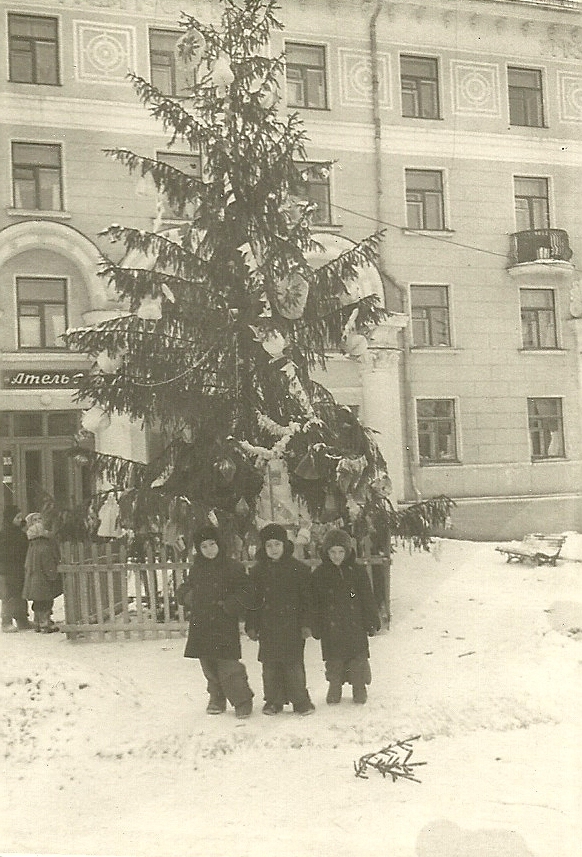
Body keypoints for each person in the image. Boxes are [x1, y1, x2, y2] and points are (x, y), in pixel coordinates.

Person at [177, 524, 254, 719]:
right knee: (208, 665)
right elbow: (184, 589)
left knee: (228, 666)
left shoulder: (233, 567)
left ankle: (242, 700)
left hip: (223, 623)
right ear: (199, 549)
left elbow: (247, 591)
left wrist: (231, 604)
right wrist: (189, 596)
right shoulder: (197, 569)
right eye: (204, 547)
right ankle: (217, 697)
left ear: (219, 544)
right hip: (201, 624)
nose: (209, 550)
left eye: (212, 544)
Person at [245, 523, 315, 716]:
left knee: (294, 665)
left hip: (292, 627)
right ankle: (273, 701)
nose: (273, 549)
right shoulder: (257, 572)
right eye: (269, 545)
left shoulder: (298, 570)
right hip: (268, 627)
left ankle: (300, 700)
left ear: (285, 545)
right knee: (270, 666)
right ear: (263, 548)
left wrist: (306, 624)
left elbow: (307, 600)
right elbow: (253, 601)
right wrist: (251, 625)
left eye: (277, 544)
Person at [310, 528, 380, 705]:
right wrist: (315, 625)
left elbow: (366, 597)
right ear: (326, 552)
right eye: (332, 552)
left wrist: (371, 620)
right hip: (331, 626)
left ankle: (359, 687)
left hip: (354, 624)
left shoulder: (356, 571)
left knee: (358, 659)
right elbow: (315, 604)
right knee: (334, 661)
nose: (337, 556)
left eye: (341, 551)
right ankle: (335, 686)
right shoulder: (319, 574)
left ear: (348, 552)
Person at [21, 512, 62, 634]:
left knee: (38, 602)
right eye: (35, 520)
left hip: (34, 579)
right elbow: (48, 563)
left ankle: (38, 622)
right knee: (46, 601)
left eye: (40, 519)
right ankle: (45, 622)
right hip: (44, 580)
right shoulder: (44, 546)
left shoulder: (32, 545)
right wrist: (53, 574)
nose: (39, 521)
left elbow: (28, 563)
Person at [0, 505, 31, 632]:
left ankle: (22, 620)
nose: (20, 520)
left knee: (21, 595)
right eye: (17, 517)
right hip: (7, 570)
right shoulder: (4, 533)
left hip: (19, 568)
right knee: (9, 595)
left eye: (21, 517)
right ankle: (6, 622)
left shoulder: (20, 533)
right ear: (10, 518)